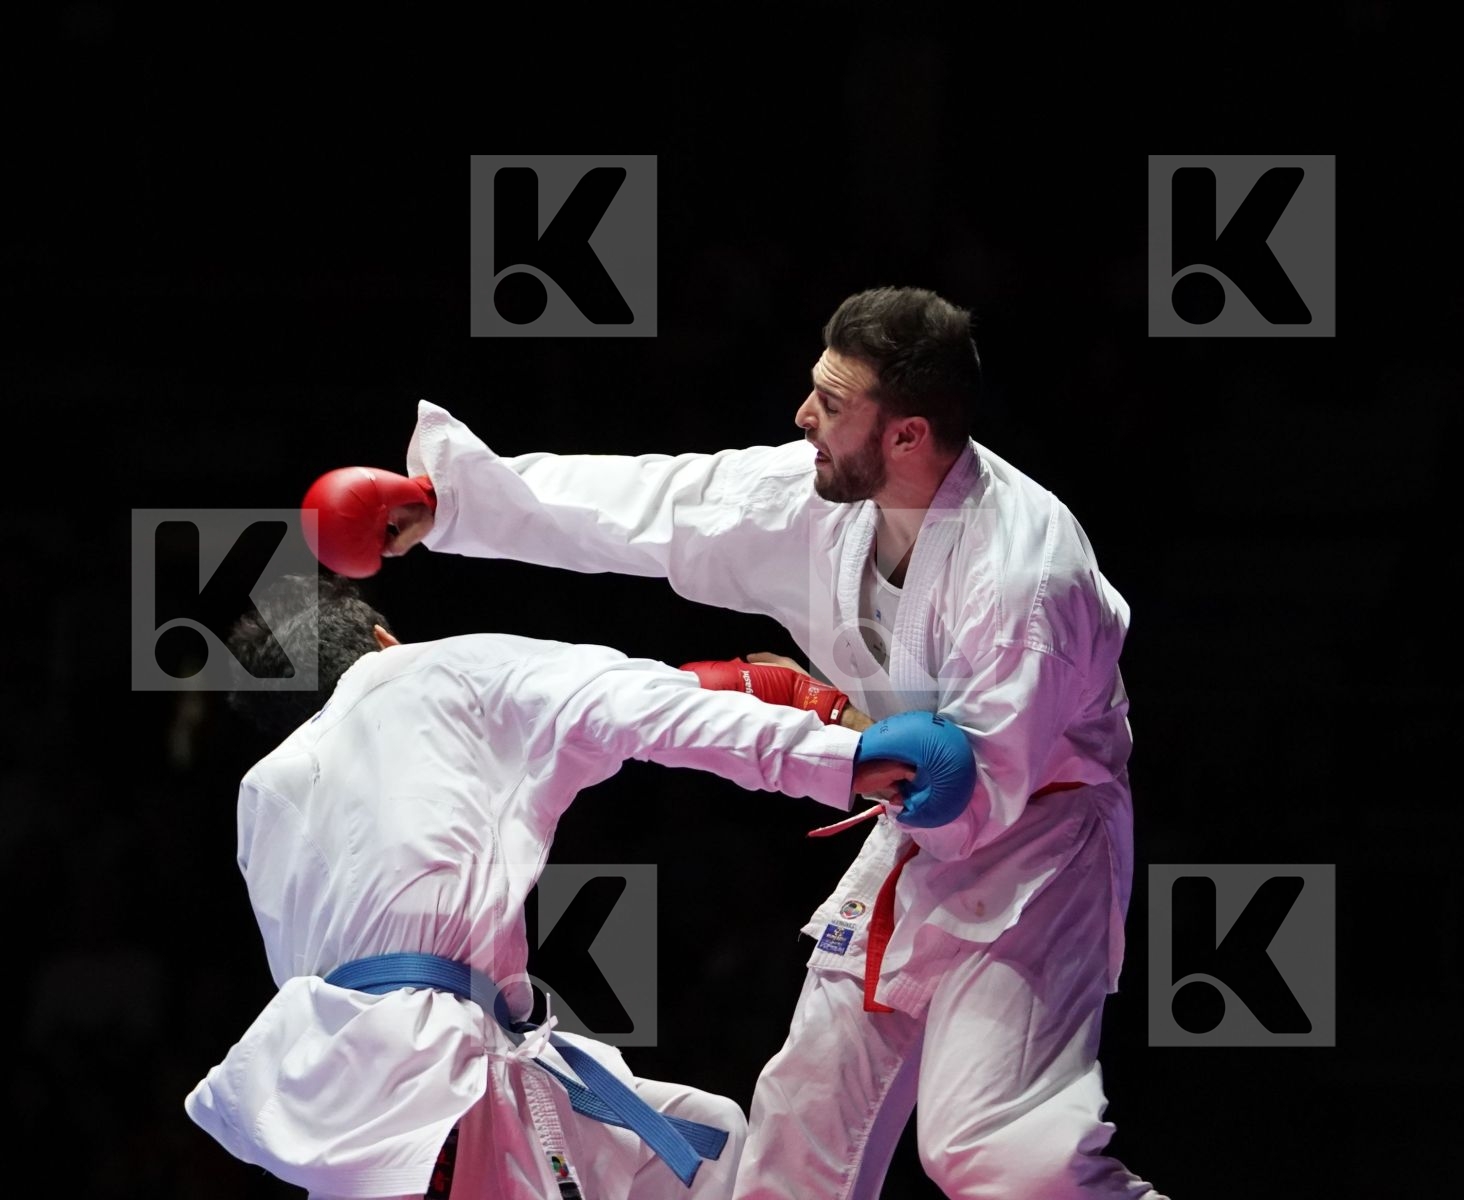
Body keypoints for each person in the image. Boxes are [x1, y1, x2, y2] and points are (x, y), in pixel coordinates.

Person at [329, 286, 1165, 1198]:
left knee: (996, 1153)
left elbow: (965, 794)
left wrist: (829, 717)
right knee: (796, 1140)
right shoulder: (822, 496)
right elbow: (660, 501)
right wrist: (451, 504)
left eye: (833, 404)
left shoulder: (1023, 578)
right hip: (910, 830)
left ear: (907, 436)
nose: (804, 416)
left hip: (1036, 849)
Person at [183, 573, 970, 1200]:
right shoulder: (432, 670)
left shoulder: (264, 791)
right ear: (385, 639)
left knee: (706, 1147)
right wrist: (838, 754)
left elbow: (301, 978)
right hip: (440, 1090)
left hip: (346, 1107)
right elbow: (635, 707)